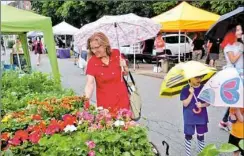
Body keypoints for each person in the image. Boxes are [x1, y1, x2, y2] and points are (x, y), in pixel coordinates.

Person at [84, 32, 130, 115]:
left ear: (105, 44)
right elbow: (89, 84)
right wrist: (86, 100)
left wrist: (125, 66)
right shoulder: (92, 62)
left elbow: (125, 73)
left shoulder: (116, 53)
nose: (94, 51)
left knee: (126, 125)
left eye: (97, 47)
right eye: (92, 48)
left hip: (122, 99)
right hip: (105, 104)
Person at [218, 24, 243, 131]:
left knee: (237, 98)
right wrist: (241, 50)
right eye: (238, 30)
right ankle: (229, 121)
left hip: (241, 73)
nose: (240, 31)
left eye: (241, 29)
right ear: (232, 32)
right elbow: (233, 60)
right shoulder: (228, 46)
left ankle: (225, 121)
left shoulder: (240, 44)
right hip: (233, 75)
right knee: (235, 98)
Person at [180, 75, 210, 155]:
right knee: (188, 135)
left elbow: (208, 103)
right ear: (190, 78)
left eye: (200, 77)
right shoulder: (185, 88)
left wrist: (202, 105)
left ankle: (202, 153)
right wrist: (190, 94)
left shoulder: (204, 88)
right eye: (196, 77)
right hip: (189, 117)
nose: (199, 79)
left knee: (201, 135)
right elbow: (185, 104)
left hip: (201, 117)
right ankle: (188, 154)